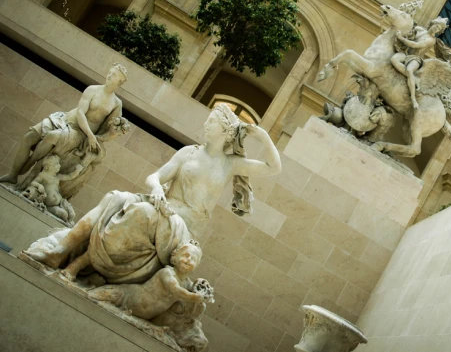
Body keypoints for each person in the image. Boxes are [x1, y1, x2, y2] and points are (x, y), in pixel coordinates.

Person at [24, 103, 282, 286]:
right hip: (164, 205)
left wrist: (263, 137)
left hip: (184, 226)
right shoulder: (188, 152)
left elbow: (273, 167)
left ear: (225, 131)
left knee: (140, 213)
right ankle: (61, 249)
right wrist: (158, 187)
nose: (206, 124)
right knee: (114, 197)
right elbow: (155, 177)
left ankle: (79, 264)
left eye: (212, 121)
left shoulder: (230, 164)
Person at [1, 63, 127, 185]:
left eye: (114, 75)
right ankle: (13, 175)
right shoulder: (93, 89)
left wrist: (108, 134)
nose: (109, 75)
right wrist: (90, 134)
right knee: (29, 137)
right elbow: (80, 113)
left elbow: (111, 130)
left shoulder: (116, 103)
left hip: (79, 133)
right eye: (110, 72)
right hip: (64, 120)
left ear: (120, 82)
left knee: (52, 136)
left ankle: (31, 161)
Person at [88, 241, 211, 320]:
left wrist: (202, 290)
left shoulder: (186, 283)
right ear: (175, 257)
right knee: (105, 294)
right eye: (185, 255)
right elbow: (175, 291)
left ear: (196, 265)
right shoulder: (167, 273)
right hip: (128, 297)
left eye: (193, 259)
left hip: (144, 314)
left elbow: (194, 302)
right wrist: (196, 297)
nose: (188, 260)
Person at [390, 17, 449, 110]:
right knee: (393, 59)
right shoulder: (419, 30)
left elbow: (415, 45)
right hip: (406, 54)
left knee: (409, 70)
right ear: (433, 23)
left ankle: (413, 98)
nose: (436, 29)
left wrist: (401, 38)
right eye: (436, 26)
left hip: (416, 58)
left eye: (439, 29)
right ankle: (412, 78)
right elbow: (409, 31)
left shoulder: (431, 40)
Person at [22, 155, 82, 224]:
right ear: (49, 166)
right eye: (56, 163)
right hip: (50, 205)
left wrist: (77, 170)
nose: (59, 165)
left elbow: (69, 177)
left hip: (61, 202)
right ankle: (48, 209)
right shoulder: (43, 175)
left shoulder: (57, 176)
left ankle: (69, 221)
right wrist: (39, 185)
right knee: (63, 214)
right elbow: (33, 182)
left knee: (72, 215)